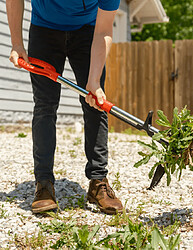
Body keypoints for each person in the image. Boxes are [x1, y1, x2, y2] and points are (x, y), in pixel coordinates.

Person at [6, 0, 123, 215]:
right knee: (44, 106)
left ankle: (98, 181)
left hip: (89, 30)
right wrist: (16, 43)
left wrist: (94, 80)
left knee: (95, 105)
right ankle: (43, 184)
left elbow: (104, 30)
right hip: (45, 28)